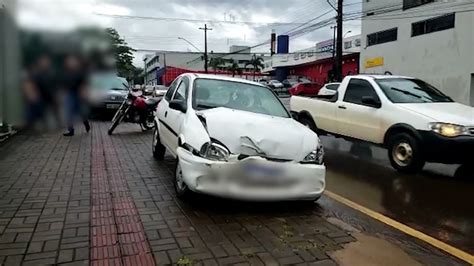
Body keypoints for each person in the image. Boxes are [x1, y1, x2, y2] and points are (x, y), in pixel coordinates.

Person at [61, 54, 90, 136]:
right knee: (68, 112)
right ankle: (71, 130)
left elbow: (84, 84)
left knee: (81, 112)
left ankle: (86, 122)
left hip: (78, 94)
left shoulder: (80, 72)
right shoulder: (66, 73)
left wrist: (83, 93)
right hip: (70, 94)